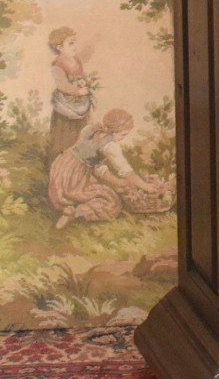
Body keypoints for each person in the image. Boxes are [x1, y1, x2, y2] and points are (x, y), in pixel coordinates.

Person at [48, 109, 173, 229]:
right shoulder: (111, 146)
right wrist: (147, 187)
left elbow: (96, 166)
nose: (123, 138)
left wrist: (117, 182)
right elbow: (127, 171)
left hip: (61, 167)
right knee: (112, 202)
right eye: (123, 134)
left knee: (81, 192)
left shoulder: (90, 130)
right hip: (75, 176)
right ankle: (76, 212)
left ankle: (67, 208)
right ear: (115, 130)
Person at [47, 27, 95, 155]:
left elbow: (86, 56)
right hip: (65, 106)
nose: (75, 46)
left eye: (75, 42)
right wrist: (78, 91)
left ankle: (81, 158)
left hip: (80, 104)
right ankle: (63, 160)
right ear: (59, 47)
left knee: (82, 130)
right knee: (66, 134)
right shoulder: (57, 65)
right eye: (71, 43)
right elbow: (63, 85)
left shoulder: (76, 59)